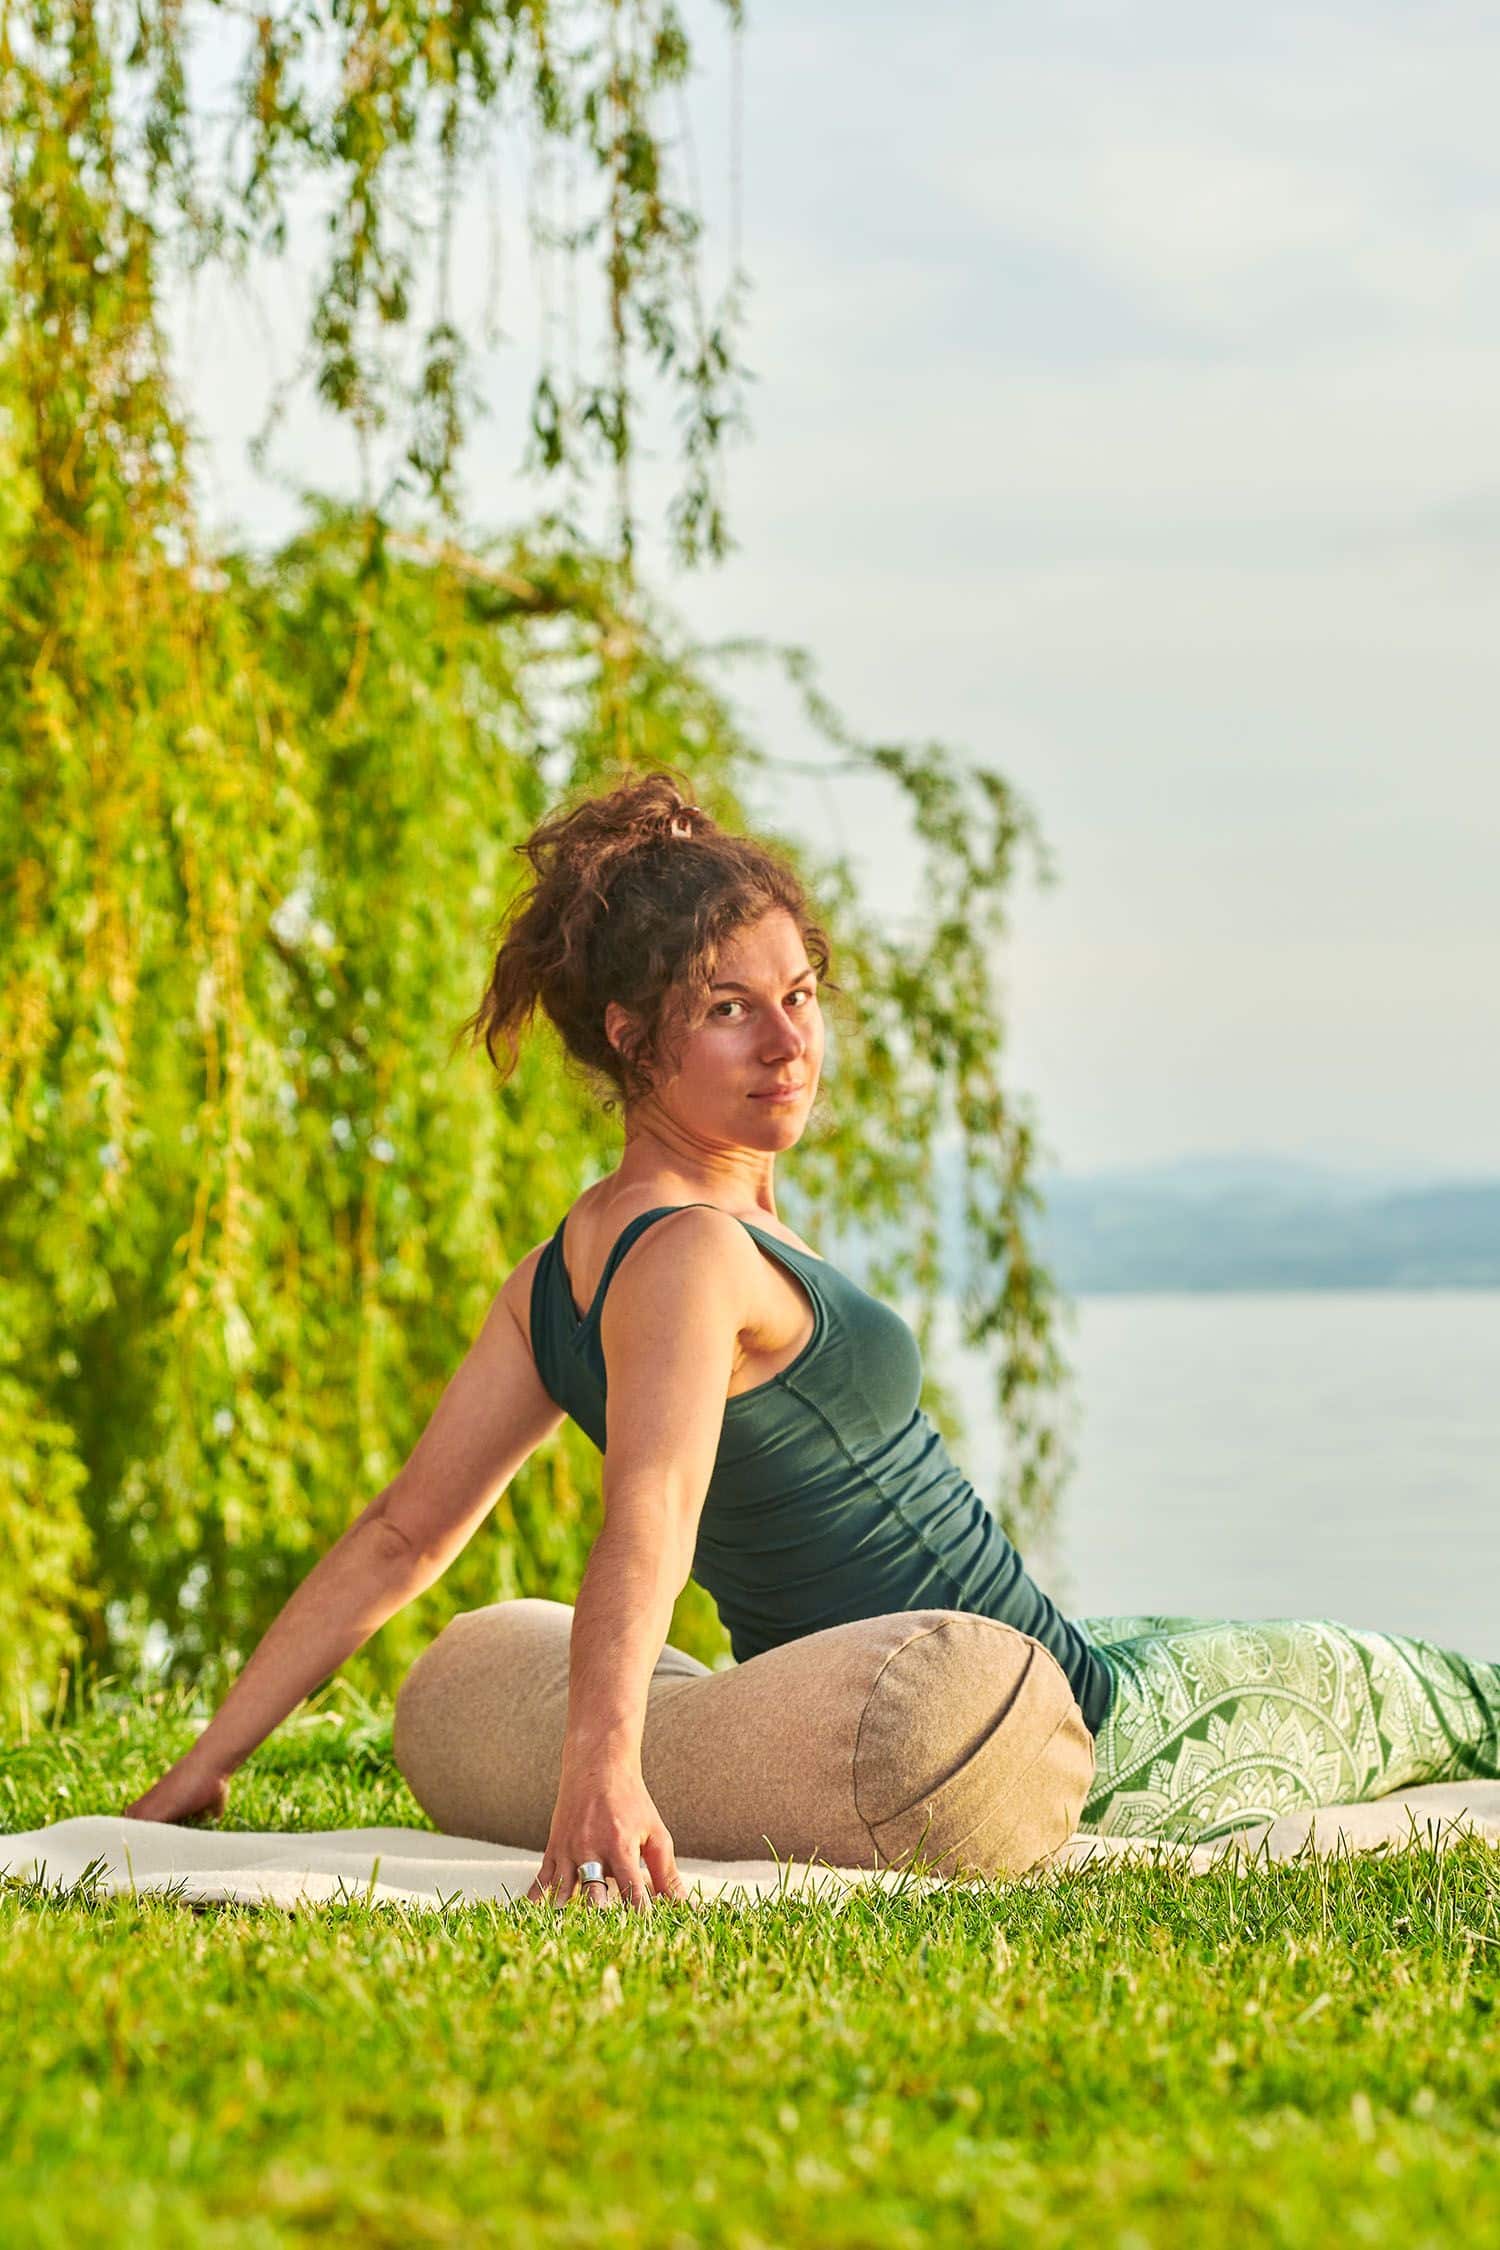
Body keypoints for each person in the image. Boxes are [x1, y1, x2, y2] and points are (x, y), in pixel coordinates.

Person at [126, 772, 1500, 1908]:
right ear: (629, 1036)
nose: (790, 1041)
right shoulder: (695, 1255)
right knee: (1448, 1693)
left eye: (801, 993)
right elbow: (644, 1516)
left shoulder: (564, 1272)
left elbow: (399, 1538)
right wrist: (601, 1767)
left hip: (1035, 1652)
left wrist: (207, 1760)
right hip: (1080, 1721)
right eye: (729, 1009)